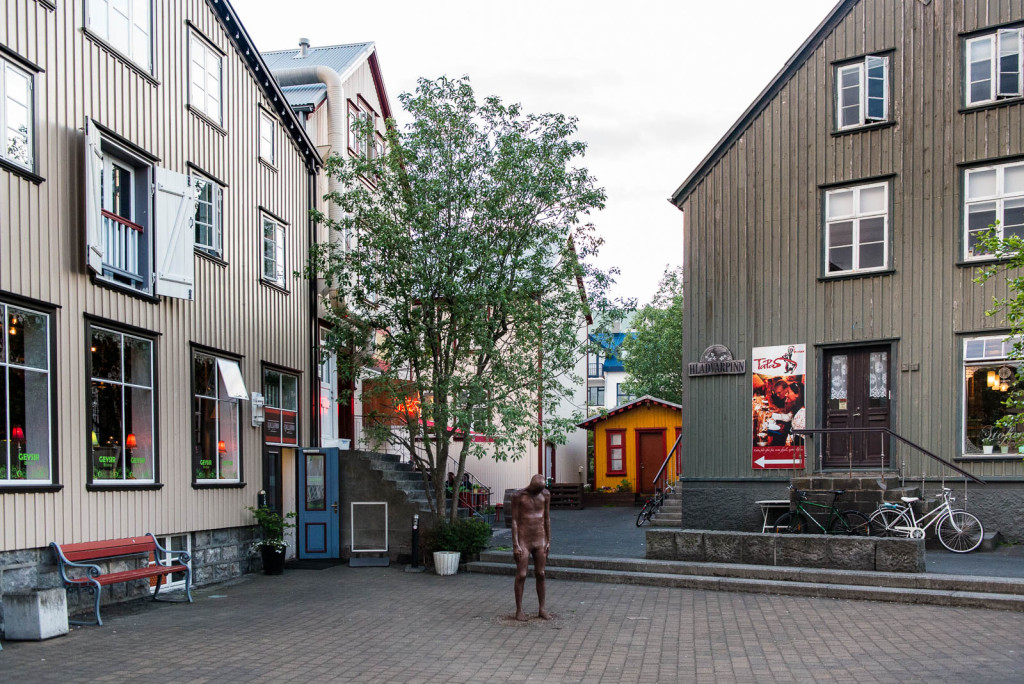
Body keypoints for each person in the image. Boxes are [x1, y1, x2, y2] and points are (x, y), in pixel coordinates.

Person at [510, 473, 551, 621]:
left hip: (540, 539)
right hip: (524, 540)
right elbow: (514, 521)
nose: (538, 493)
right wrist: (515, 544)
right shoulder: (518, 496)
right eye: (536, 490)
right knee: (521, 575)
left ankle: (542, 608)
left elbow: (546, 517)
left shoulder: (545, 495)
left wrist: (548, 540)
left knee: (541, 573)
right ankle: (519, 610)